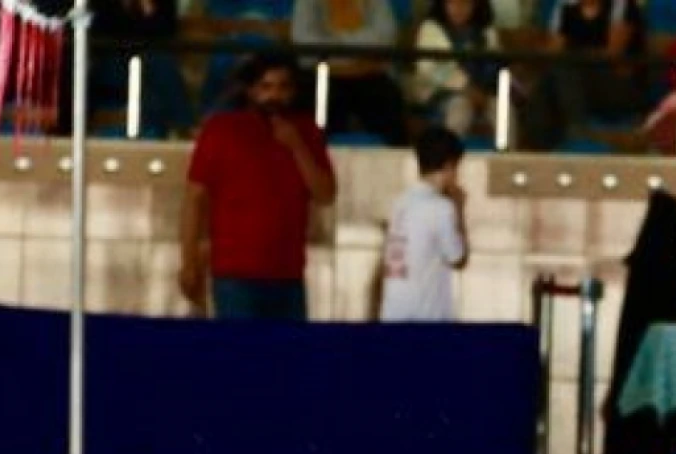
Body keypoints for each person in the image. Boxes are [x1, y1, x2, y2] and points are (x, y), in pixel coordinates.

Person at [180, 51, 337, 321]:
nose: (275, 96)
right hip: (235, 274)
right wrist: (189, 260)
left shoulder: (307, 131)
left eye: (283, 87)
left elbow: (325, 194)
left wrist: (297, 146)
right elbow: (195, 198)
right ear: (251, 91)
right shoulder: (221, 129)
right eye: (266, 87)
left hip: (288, 274)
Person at [522, 0, 646, 149]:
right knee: (552, 78)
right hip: (572, 82)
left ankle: (573, 130)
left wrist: (575, 55)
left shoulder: (622, 6)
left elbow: (612, 55)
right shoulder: (566, 7)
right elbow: (554, 51)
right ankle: (539, 145)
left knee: (563, 68)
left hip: (619, 86)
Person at [378, 127, 469, 322]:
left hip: (393, 316)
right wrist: (459, 209)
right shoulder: (441, 208)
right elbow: (458, 259)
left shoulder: (400, 203)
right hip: (426, 320)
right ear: (449, 167)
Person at [291, 0, 410, 145]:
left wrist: (334, 46)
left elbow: (384, 40)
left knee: (389, 97)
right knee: (313, 96)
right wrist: (359, 55)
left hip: (369, 76)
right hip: (324, 76)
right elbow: (306, 44)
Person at [410, 0, 506, 138]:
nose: (459, 9)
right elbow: (432, 70)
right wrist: (467, 88)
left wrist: (483, 92)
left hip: (483, 94)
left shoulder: (486, 31)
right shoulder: (430, 28)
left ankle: (507, 157)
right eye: (452, 3)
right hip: (440, 96)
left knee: (503, 109)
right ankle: (450, 156)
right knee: (460, 107)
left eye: (466, 3)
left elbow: (495, 64)